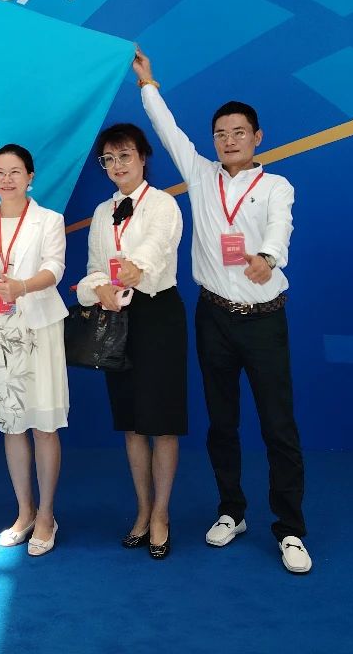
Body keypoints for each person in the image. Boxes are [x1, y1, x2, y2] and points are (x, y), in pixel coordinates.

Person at [133, 50, 311, 575]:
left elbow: (281, 227)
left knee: (278, 426)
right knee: (221, 423)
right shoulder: (200, 174)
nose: (228, 140)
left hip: (264, 318)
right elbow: (167, 131)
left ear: (257, 137)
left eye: (238, 132)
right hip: (213, 317)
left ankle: (291, 529)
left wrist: (267, 258)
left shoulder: (276, 186)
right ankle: (232, 511)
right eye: (220, 134)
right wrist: (148, 85)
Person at [76, 123, 186, 560]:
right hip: (116, 320)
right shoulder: (102, 212)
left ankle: (162, 514)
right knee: (132, 422)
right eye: (109, 159)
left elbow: (156, 249)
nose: (117, 165)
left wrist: (131, 269)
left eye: (125, 156)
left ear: (143, 158)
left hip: (157, 316)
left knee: (163, 420)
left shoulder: (163, 204)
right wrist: (99, 287)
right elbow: (92, 268)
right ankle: (142, 509)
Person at [0, 144, 69, 557]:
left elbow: (55, 268)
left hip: (36, 328)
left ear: (30, 177)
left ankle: (47, 514)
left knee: (43, 424)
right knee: (11, 424)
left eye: (15, 172)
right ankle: (24, 511)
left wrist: (22, 286)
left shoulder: (49, 219)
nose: (6, 179)